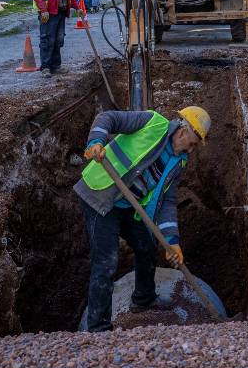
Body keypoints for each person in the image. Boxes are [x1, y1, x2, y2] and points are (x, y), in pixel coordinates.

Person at [74, 106, 211, 333]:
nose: (193, 149)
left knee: (147, 245)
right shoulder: (152, 122)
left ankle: (143, 299)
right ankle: (98, 328)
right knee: (106, 262)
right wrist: (96, 141)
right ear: (183, 131)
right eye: (194, 143)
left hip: (128, 206)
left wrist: (172, 239)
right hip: (101, 195)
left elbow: (167, 202)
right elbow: (107, 116)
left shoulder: (179, 162)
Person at [31, 0, 74, 76]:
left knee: (58, 40)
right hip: (48, 13)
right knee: (47, 40)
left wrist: (77, 7)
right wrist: (43, 10)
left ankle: (56, 66)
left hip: (60, 12)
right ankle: (45, 67)